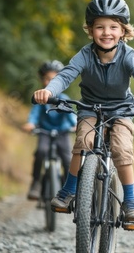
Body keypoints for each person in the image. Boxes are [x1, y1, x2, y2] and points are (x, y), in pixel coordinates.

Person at [32, 0, 134, 222]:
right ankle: (69, 190)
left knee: (121, 149)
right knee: (83, 141)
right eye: (100, 27)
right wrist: (49, 91)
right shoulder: (85, 54)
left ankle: (131, 199)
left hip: (121, 110)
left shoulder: (128, 55)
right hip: (89, 108)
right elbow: (65, 75)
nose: (106, 32)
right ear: (90, 30)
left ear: (123, 31)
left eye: (113, 27)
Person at [22, 60, 77, 200]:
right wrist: (31, 124)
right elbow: (34, 115)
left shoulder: (64, 99)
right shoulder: (40, 99)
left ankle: (68, 186)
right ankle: (35, 182)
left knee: (67, 158)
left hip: (62, 133)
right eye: (47, 79)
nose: (49, 82)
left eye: (53, 79)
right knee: (41, 151)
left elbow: (71, 115)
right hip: (45, 132)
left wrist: (76, 125)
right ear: (42, 80)